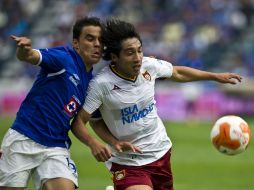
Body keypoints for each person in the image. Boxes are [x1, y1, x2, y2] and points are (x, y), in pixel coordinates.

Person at [71, 18, 242, 190]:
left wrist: (215, 76)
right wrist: (101, 143)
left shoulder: (148, 65)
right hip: (127, 162)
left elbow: (177, 72)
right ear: (115, 57)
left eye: (139, 51)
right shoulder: (101, 84)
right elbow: (81, 122)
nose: (138, 58)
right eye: (130, 53)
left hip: (161, 152)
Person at [0, 17, 113, 190]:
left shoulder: (92, 83)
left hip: (55, 147)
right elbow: (29, 56)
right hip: (24, 138)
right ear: (76, 43)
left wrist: (93, 142)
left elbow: (80, 122)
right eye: (90, 39)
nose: (97, 44)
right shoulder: (63, 58)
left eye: (100, 40)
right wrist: (24, 49)